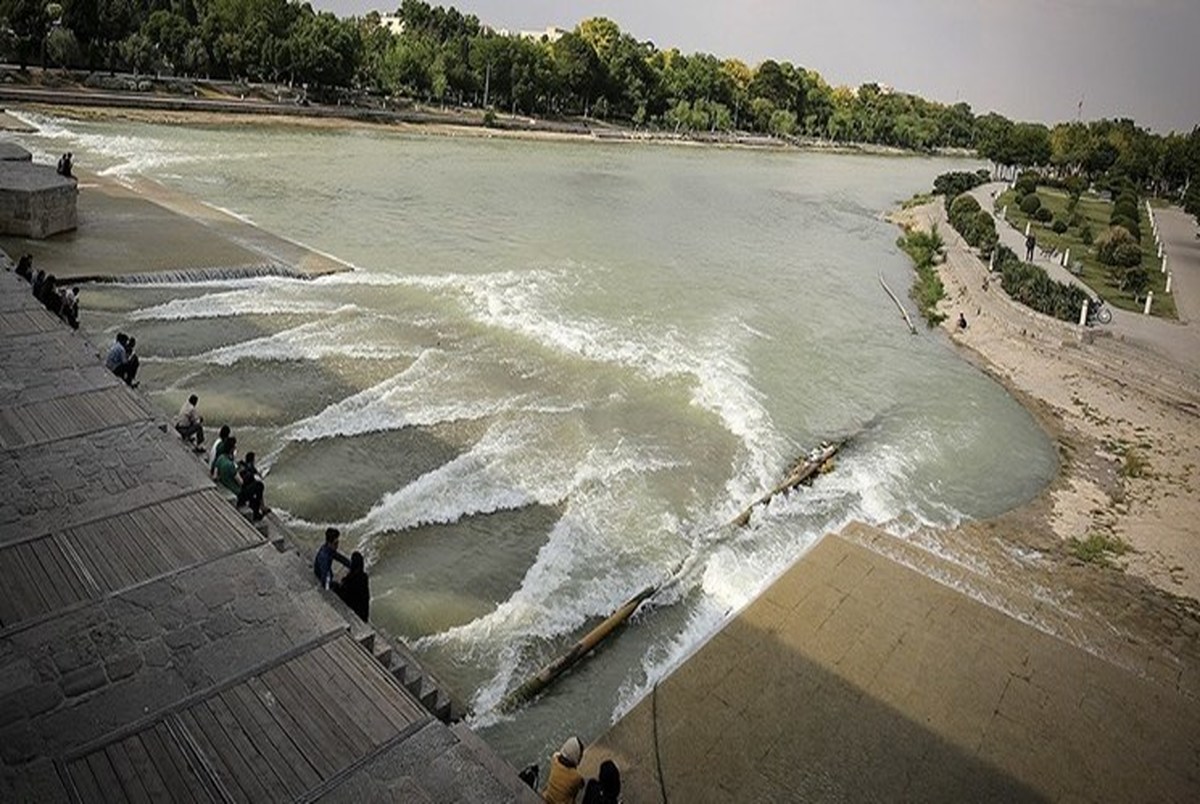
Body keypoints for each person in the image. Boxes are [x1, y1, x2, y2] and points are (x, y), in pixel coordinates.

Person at [542, 736, 585, 804]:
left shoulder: (555, 761)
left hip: (547, 798)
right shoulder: (576, 777)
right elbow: (581, 785)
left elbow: (556, 754)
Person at [335, 551, 370, 622]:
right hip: (364, 613)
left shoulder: (351, 579)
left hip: (355, 609)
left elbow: (346, 593)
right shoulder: (364, 577)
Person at [236, 450, 269, 521]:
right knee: (259, 486)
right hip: (243, 493)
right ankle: (260, 509)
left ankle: (261, 507)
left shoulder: (243, 466)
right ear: (252, 460)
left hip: (241, 489)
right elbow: (258, 477)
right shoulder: (251, 468)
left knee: (256, 490)